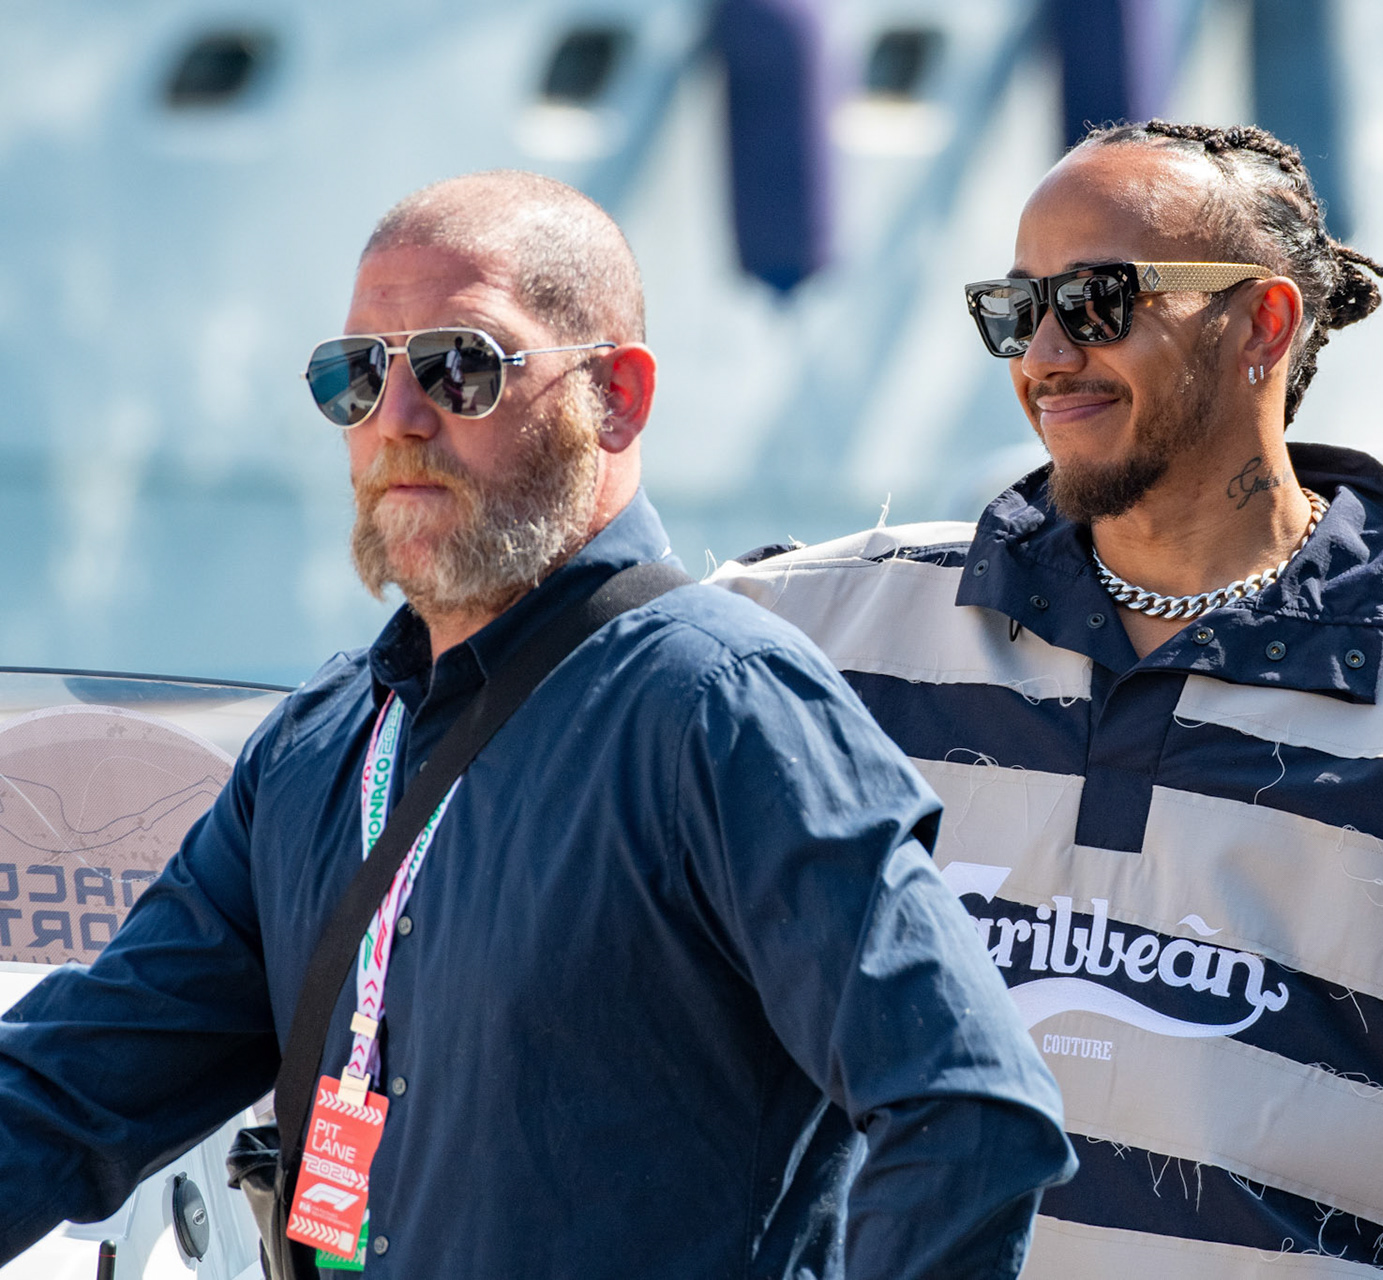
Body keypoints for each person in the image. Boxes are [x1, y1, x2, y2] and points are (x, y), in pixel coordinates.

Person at [0, 171, 1075, 1278]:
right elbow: (68, 1086)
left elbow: (970, 1114)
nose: (399, 419)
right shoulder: (320, 742)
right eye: (355, 375)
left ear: (616, 395)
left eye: (461, 365)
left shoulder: (721, 707)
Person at [714, 121, 1383, 1279]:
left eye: (1097, 300)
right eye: (1016, 307)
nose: (1046, 351)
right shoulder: (823, 630)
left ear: (1263, 322)